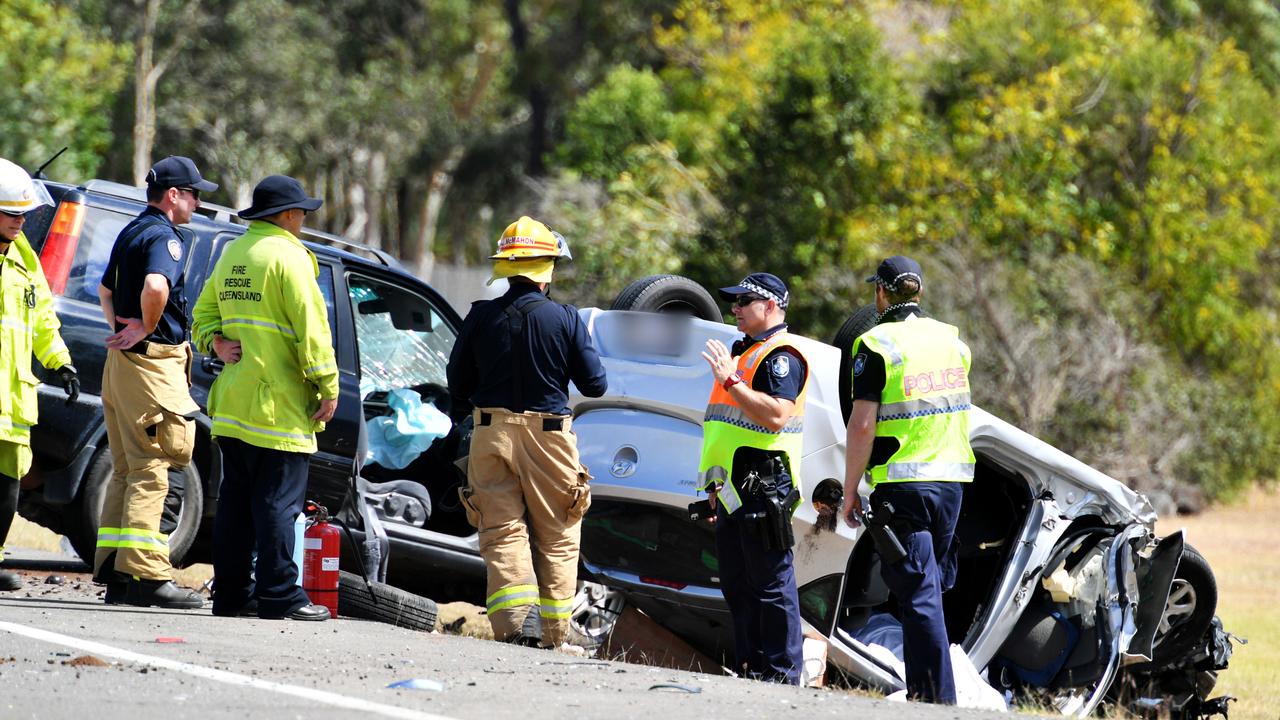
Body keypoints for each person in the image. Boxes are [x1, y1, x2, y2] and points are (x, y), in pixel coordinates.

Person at [446, 216, 607, 650]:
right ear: (547, 267)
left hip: (490, 434)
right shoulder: (565, 318)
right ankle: (553, 636)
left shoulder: (480, 316)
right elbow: (596, 384)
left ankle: (513, 631)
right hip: (550, 438)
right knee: (557, 534)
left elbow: (457, 383)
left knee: (501, 532)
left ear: (507, 265)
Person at [191, 175, 337, 621]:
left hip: (234, 405)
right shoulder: (291, 260)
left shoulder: (234, 252)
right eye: (302, 214)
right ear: (289, 216)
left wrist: (213, 342)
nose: (304, 221)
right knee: (278, 504)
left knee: (236, 505)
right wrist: (328, 387)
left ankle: (233, 596)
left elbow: (201, 315)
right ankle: (280, 597)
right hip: (279, 410)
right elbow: (312, 333)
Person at [841, 255, 973, 704]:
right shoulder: (953, 342)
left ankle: (936, 699)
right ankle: (928, 689)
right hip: (952, 483)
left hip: (905, 485)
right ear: (918, 292)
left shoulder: (876, 344)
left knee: (919, 595)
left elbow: (862, 426)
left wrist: (849, 490)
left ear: (881, 292)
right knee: (929, 589)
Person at [93, 156, 213, 609]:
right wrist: (144, 328)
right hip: (152, 365)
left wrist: (122, 334)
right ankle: (145, 576)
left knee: (126, 468)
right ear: (173, 196)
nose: (198, 202)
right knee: (154, 467)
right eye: (195, 194)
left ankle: (117, 573)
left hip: (123, 367)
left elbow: (106, 291)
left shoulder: (131, 230)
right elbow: (157, 287)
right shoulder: (165, 236)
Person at [698, 272, 808, 684]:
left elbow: (776, 414)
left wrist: (731, 379)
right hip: (732, 486)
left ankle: (781, 674)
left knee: (771, 583)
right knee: (738, 583)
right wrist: (712, 487)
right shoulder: (745, 351)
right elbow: (724, 429)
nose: (736, 309)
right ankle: (752, 668)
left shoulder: (782, 356)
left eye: (745, 301)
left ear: (772, 306)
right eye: (735, 301)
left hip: (765, 484)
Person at [0, 158, 79, 591]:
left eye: (23, 214)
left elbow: (42, 319)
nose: (21, 221)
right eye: (12, 213)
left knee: (7, 486)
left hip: (12, 401)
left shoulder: (25, 257)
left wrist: (60, 361)